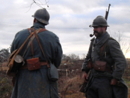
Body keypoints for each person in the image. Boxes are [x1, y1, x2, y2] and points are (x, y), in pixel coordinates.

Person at [10, 8, 63, 98]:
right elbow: (57, 60)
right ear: (46, 23)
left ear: (34, 19)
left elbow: (12, 55)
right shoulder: (53, 37)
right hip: (45, 77)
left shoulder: (19, 34)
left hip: (23, 77)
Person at [81, 15, 128, 98]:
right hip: (93, 79)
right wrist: (85, 70)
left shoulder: (111, 43)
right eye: (94, 27)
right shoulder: (93, 42)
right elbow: (88, 58)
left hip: (105, 81)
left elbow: (121, 62)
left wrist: (115, 78)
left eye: (97, 27)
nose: (95, 29)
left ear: (105, 28)